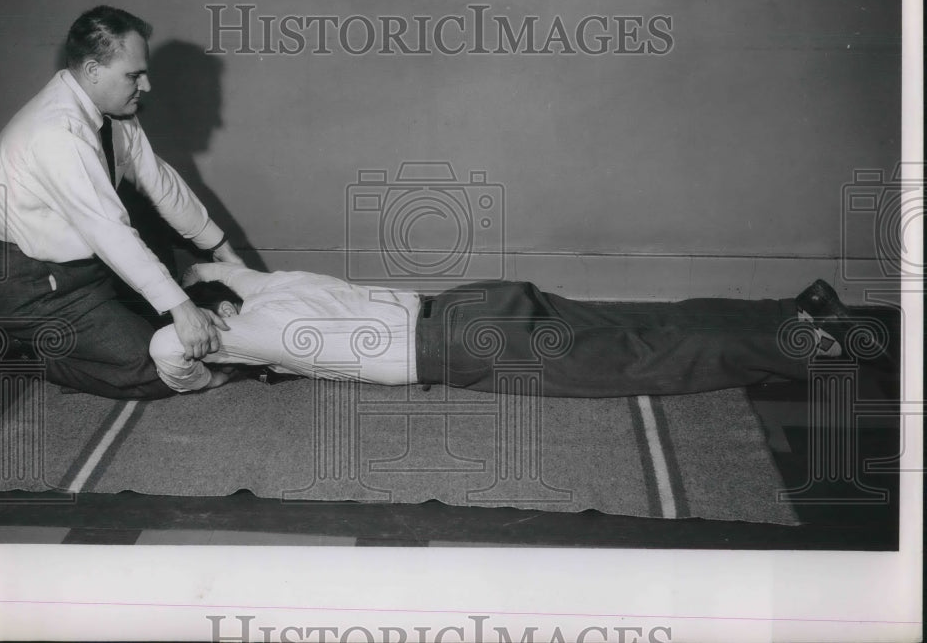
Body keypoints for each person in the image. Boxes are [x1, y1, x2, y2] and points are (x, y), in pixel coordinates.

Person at [0, 6, 245, 399]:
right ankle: (10, 346)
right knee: (163, 366)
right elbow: (109, 229)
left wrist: (223, 252)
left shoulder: (114, 112)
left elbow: (160, 182)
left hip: (86, 271)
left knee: (190, 325)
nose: (146, 86)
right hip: (32, 285)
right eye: (134, 75)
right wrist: (181, 309)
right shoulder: (56, 133)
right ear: (93, 70)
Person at [149, 264, 870, 398]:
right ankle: (798, 309)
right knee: (641, 321)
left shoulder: (247, 334)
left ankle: (810, 346)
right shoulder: (265, 284)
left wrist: (207, 374)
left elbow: (165, 352)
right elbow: (222, 267)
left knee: (641, 362)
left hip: (461, 347)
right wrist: (195, 276)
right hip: (471, 302)